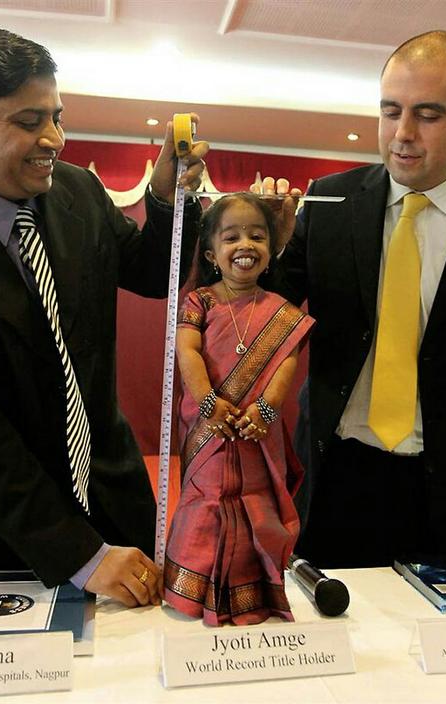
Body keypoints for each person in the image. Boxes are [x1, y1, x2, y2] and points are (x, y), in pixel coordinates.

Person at [0, 28, 208, 606]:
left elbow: (153, 274)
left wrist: (165, 200)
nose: (55, 139)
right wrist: (78, 554)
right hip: (0, 538)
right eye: (29, 122)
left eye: (57, 117)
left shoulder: (79, 192)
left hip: (119, 507)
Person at [259, 30, 446, 567]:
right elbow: (260, 320)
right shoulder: (328, 202)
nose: (402, 134)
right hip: (337, 480)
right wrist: (263, 250)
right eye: (390, 111)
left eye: (428, 114)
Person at [163, 193, 314, 625]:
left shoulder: (281, 311)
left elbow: (287, 363)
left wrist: (266, 410)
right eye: (231, 237)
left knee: (256, 505)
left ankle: (253, 594)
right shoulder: (199, 302)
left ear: (271, 247)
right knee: (206, 500)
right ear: (212, 254)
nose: (245, 245)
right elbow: (187, 351)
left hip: (256, 434)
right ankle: (191, 593)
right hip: (210, 430)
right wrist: (209, 403)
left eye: (257, 236)